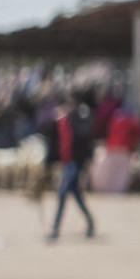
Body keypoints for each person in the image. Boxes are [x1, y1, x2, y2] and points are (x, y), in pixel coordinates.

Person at [48, 97, 95, 240]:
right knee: (76, 195)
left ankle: (55, 228)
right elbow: (54, 144)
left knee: (62, 193)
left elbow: (86, 138)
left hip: (75, 163)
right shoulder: (59, 124)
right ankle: (90, 222)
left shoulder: (78, 121)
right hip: (67, 163)